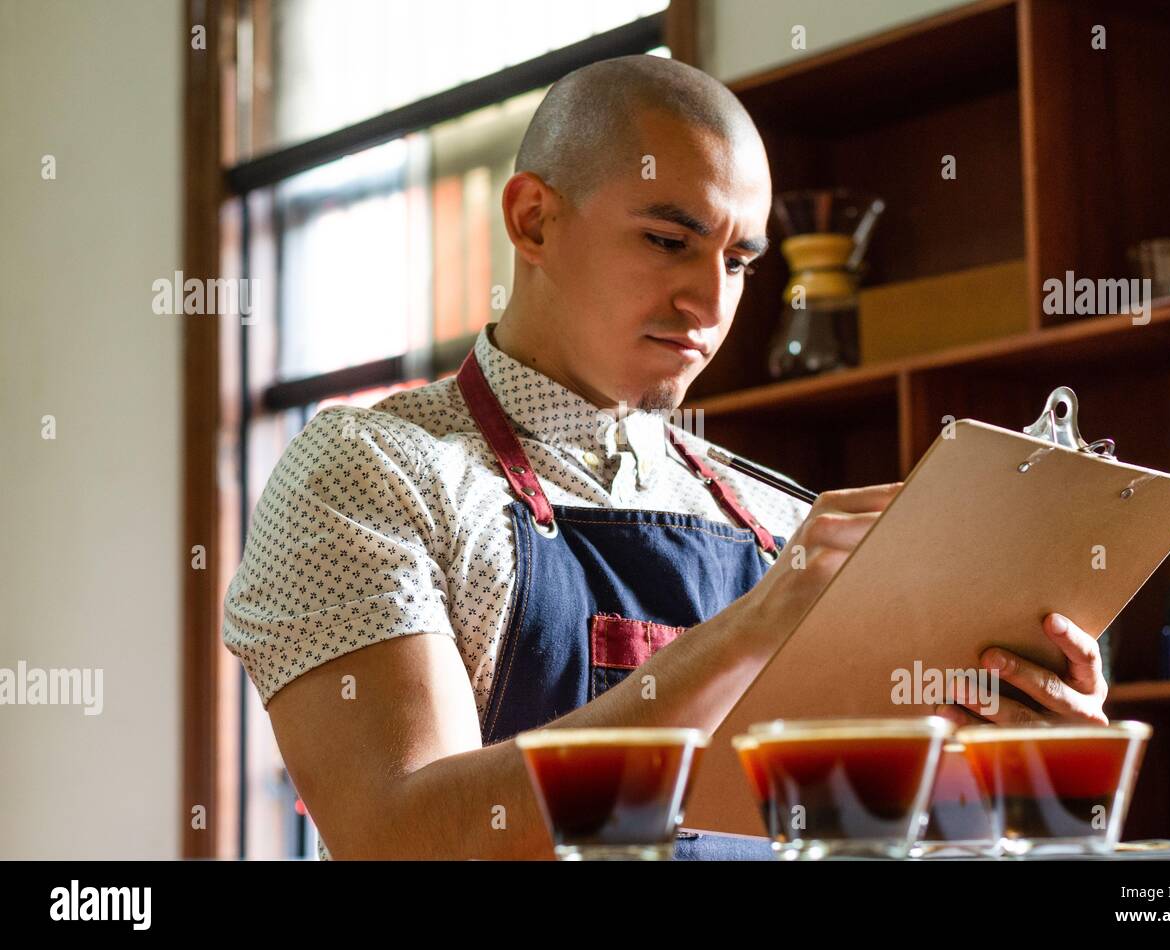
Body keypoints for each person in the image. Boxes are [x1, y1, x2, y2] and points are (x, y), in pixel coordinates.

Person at [222, 54, 1108, 860]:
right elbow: (402, 837)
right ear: (532, 220)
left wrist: (1026, 776)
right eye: (667, 240)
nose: (708, 303)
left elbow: (894, 846)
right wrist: (742, 636)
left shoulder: (778, 524)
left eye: (739, 261)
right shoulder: (371, 471)